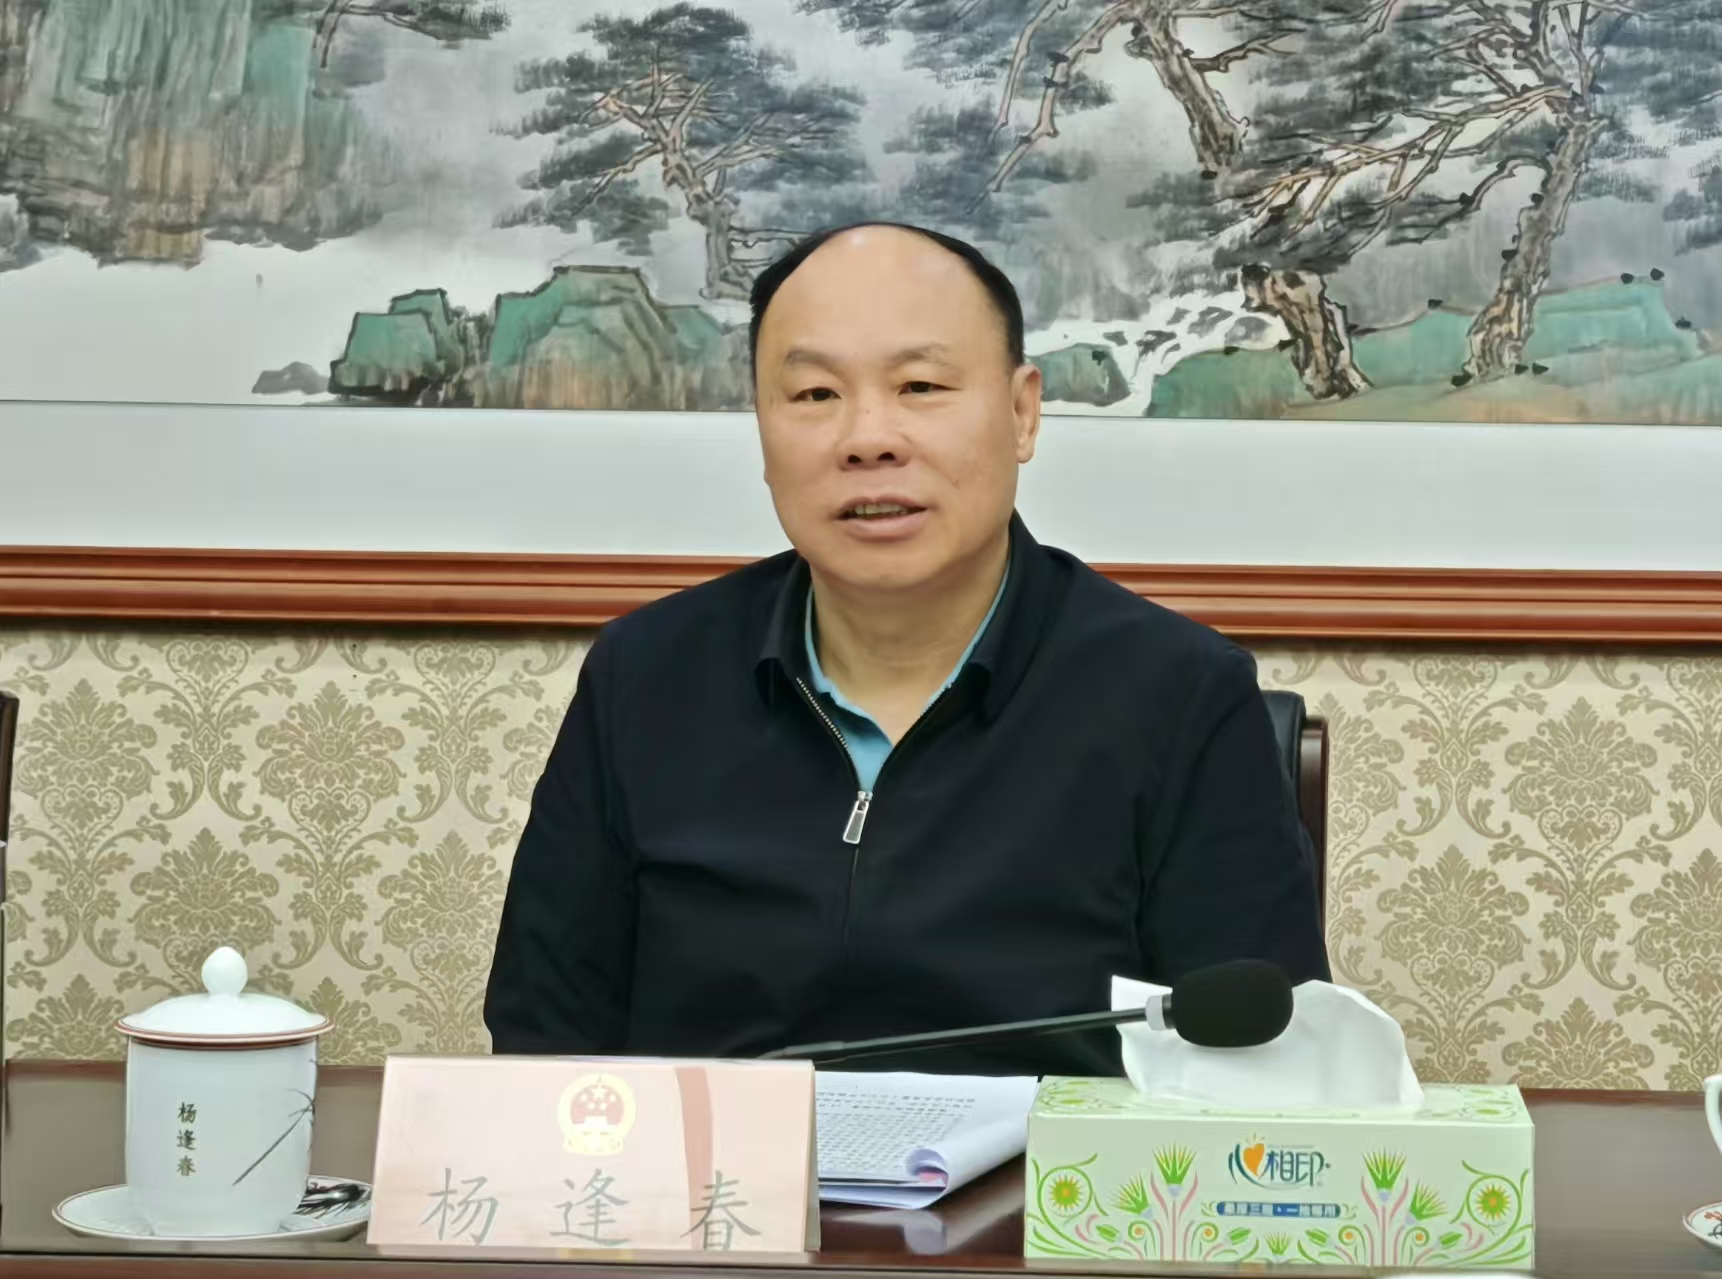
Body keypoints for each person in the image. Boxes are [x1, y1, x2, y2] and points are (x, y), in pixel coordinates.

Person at [483, 222, 1329, 1075]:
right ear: (763, 428)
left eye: (920, 385)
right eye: (814, 394)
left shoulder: (1180, 696)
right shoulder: (645, 678)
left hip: (1043, 1164)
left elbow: (1258, 1068)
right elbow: (543, 1046)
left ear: (1022, 411)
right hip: (717, 1163)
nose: (868, 438)